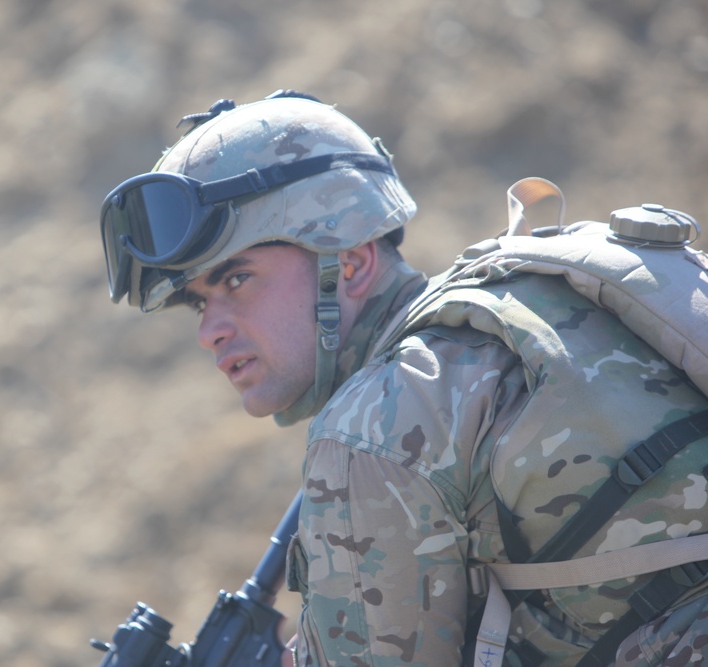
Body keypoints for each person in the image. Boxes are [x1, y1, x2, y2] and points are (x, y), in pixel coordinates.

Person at [98, 91, 708, 666]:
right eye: (199, 303)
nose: (211, 331)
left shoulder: (371, 432)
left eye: (236, 280)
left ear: (353, 262)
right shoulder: (540, 299)